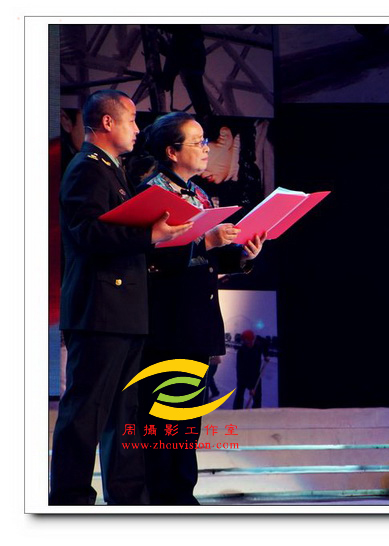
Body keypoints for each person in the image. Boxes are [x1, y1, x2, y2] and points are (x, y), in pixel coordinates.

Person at [50, 90, 192, 505]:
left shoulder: (113, 170)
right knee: (86, 412)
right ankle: (70, 499)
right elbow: (87, 232)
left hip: (124, 310)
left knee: (124, 414)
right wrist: (149, 234)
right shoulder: (87, 168)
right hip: (100, 310)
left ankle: (129, 498)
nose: (137, 129)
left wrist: (159, 233)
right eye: (131, 120)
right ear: (108, 123)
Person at [135, 111, 266, 504]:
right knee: (164, 416)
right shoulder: (152, 194)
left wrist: (242, 255)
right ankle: (163, 497)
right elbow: (147, 259)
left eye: (206, 141)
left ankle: (182, 494)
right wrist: (206, 242)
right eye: (197, 142)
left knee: (188, 418)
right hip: (167, 322)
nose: (206, 149)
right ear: (172, 152)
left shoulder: (200, 194)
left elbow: (205, 259)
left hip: (197, 321)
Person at [233, 330, 266, 409]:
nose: (248, 343)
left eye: (250, 341)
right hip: (243, 376)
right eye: (246, 341)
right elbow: (242, 370)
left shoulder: (258, 345)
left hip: (256, 375)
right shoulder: (242, 351)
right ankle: (237, 411)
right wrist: (251, 387)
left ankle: (256, 411)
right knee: (240, 394)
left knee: (257, 397)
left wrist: (266, 355)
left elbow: (265, 345)